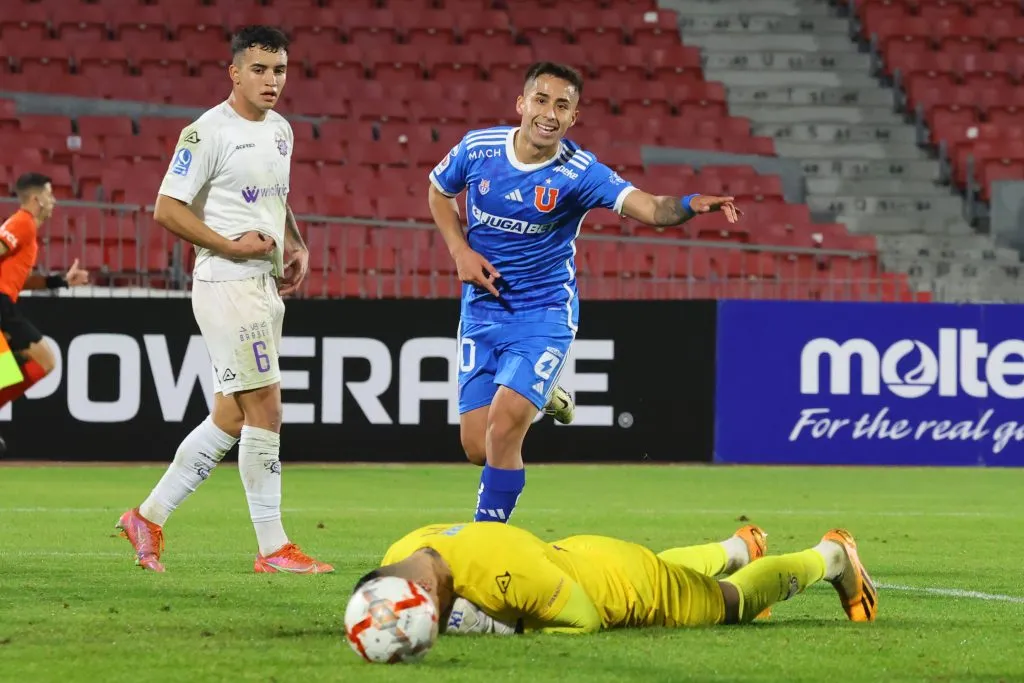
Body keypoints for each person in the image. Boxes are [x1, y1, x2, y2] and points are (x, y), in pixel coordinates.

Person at [427, 62, 741, 523]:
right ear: (521, 103)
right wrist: (460, 251)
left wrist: (691, 204)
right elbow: (438, 192)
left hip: (545, 312)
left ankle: (487, 537)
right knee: (477, 447)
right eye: (541, 100)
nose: (549, 113)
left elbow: (652, 209)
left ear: (573, 117)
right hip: (483, 311)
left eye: (562, 106)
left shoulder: (579, 172)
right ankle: (547, 394)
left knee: (504, 427)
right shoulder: (478, 149)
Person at [116, 25, 331, 574]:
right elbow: (167, 208)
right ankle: (273, 548)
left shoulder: (281, 130)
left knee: (231, 416)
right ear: (234, 73)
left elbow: (274, 199)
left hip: (261, 285)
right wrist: (230, 245)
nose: (271, 80)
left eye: (279, 70)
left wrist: (294, 242)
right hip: (226, 283)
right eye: (259, 70)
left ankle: (147, 516)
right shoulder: (205, 132)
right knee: (267, 409)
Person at [349, 521, 877, 636]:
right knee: (666, 566)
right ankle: (737, 548)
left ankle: (831, 557)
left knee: (731, 602)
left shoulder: (510, 575)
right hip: (581, 556)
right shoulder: (402, 552)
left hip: (627, 587)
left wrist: (501, 628)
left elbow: (584, 619)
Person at [0, 172, 90, 454]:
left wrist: (60, 281)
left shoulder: (26, 229)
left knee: (22, 368)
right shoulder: (22, 222)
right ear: (37, 199)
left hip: (5, 303)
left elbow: (21, 280)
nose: (54, 201)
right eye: (50, 195)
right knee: (41, 360)